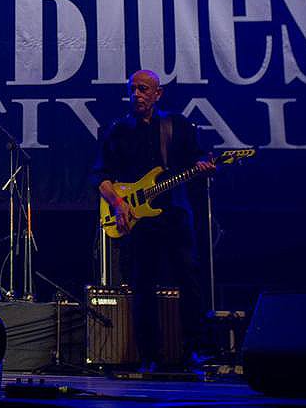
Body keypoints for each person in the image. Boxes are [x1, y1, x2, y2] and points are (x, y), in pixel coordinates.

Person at [91, 70, 214, 371]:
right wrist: (118, 204)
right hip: (138, 219)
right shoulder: (118, 131)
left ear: (158, 94)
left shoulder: (177, 125)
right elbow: (101, 177)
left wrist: (204, 167)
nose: (137, 94)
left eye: (143, 89)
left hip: (174, 213)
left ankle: (194, 350)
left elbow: (197, 159)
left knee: (189, 279)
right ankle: (149, 355)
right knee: (142, 284)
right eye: (133, 89)